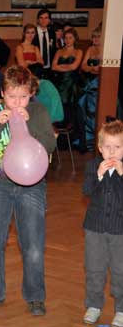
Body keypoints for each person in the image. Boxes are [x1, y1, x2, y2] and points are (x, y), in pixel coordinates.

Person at [0, 65, 56, 316]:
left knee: (32, 245)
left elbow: (51, 145)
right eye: (11, 96)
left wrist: (31, 124)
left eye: (23, 96)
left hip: (32, 186)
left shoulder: (38, 111)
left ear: (31, 93)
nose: (17, 102)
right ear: (2, 94)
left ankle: (35, 297)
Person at [81, 120, 123, 326]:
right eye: (108, 147)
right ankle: (94, 305)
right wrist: (98, 175)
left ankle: (121, 310)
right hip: (94, 228)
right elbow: (87, 191)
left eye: (118, 147)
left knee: (120, 270)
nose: (112, 152)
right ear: (100, 148)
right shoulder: (92, 166)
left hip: (119, 230)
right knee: (94, 268)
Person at [51, 28, 83, 128]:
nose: (68, 40)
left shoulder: (79, 51)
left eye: (70, 38)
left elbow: (74, 67)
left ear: (75, 39)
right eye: (66, 38)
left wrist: (60, 67)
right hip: (59, 83)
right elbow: (53, 67)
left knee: (70, 108)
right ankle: (59, 135)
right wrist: (67, 67)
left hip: (71, 84)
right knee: (59, 107)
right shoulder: (59, 51)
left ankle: (70, 136)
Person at [77, 26, 102, 152]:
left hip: (100, 84)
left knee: (95, 111)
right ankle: (87, 140)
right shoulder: (90, 49)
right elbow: (83, 66)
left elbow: (102, 69)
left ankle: (96, 140)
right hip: (89, 83)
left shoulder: (104, 50)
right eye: (94, 36)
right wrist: (92, 69)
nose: (95, 39)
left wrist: (91, 68)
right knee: (84, 108)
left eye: (98, 36)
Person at [32, 9, 57, 79]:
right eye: (41, 18)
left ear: (49, 20)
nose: (43, 20)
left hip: (49, 68)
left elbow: (54, 50)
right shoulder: (32, 33)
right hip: (35, 68)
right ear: (37, 20)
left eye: (46, 18)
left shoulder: (52, 33)